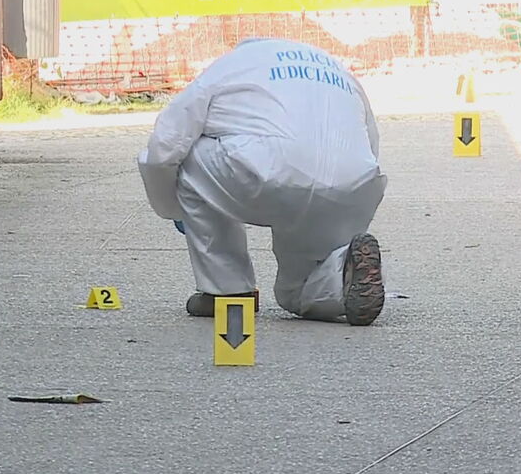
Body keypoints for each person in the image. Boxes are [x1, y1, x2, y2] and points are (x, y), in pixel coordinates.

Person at [137, 38, 387, 325]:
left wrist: (174, 207)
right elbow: (370, 142)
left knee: (187, 156)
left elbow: (165, 145)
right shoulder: (339, 71)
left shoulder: (231, 65)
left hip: (268, 173)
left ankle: (227, 290)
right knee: (296, 292)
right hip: (352, 182)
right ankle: (344, 274)